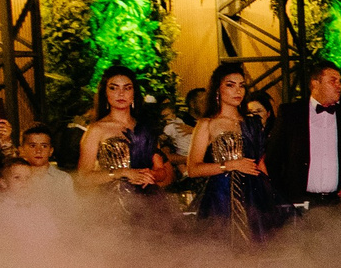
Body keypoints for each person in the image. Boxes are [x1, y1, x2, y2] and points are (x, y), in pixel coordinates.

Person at [185, 60, 282, 244]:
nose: (238, 91)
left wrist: (271, 196)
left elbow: (260, 163)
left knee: (257, 249)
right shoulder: (207, 124)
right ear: (218, 89)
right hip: (220, 197)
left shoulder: (252, 123)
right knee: (223, 251)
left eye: (242, 86)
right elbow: (193, 169)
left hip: (254, 194)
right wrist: (230, 165)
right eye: (230, 85)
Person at [265, 65, 341, 209]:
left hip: (339, 203)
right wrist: (281, 196)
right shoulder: (290, 113)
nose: (339, 86)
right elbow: (273, 158)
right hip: (300, 202)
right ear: (315, 84)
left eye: (340, 81)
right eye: (333, 81)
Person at [76, 68, 169, 205]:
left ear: (134, 93)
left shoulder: (145, 127)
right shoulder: (96, 129)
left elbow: (161, 171)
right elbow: (83, 177)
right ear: (105, 93)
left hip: (148, 203)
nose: (121, 93)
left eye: (127, 88)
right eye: (114, 88)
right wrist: (122, 172)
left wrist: (150, 175)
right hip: (111, 205)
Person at [14, 127, 75, 199]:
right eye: (33, 146)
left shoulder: (63, 179)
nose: (38, 151)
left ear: (51, 151)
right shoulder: (14, 179)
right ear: (22, 150)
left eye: (44, 146)